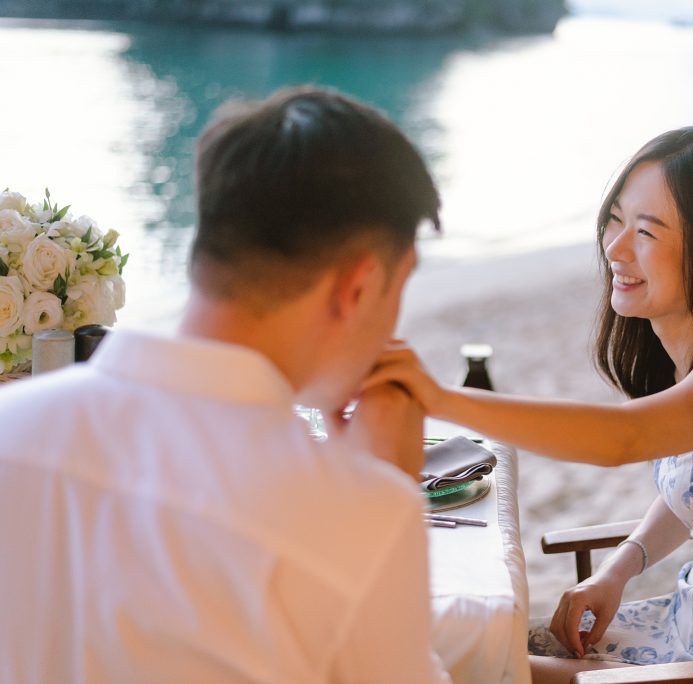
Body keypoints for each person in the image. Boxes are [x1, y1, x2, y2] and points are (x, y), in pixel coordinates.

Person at [0, 86, 451, 683]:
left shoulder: (14, 427)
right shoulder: (362, 514)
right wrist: (378, 484)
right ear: (360, 287)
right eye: (403, 284)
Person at [366, 126, 693, 683]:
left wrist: (439, 398)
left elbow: (622, 438)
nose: (614, 248)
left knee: (463, 660)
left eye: (646, 232)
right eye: (615, 220)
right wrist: (616, 572)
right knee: (478, 645)